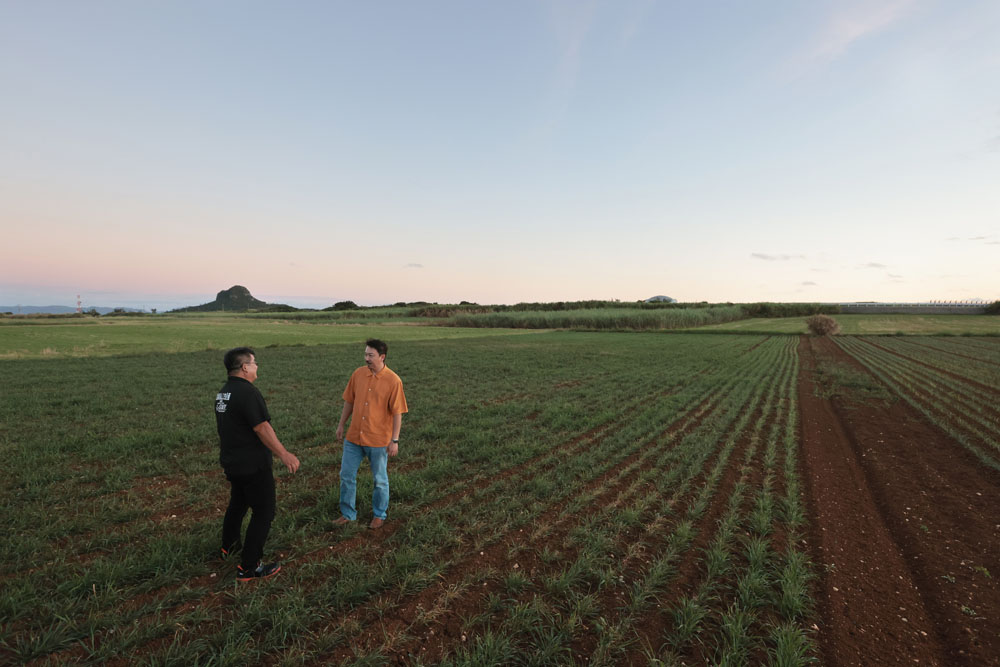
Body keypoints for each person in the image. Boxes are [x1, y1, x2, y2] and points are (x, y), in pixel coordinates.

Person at [215, 347, 300, 581]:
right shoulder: (248, 392)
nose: (256, 367)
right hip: (253, 465)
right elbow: (261, 427)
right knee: (264, 511)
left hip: (232, 462)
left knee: (238, 503)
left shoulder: (224, 393)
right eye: (254, 363)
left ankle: (229, 547)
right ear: (244, 367)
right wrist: (284, 454)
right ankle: (249, 567)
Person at [334, 338, 408, 529]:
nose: (366, 358)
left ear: (382, 357)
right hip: (354, 437)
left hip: (378, 440)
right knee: (346, 475)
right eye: (365, 354)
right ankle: (348, 513)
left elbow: (398, 413)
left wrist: (395, 440)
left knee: (380, 480)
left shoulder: (393, 380)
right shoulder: (358, 374)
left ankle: (379, 514)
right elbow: (349, 401)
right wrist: (341, 424)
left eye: (370, 355)